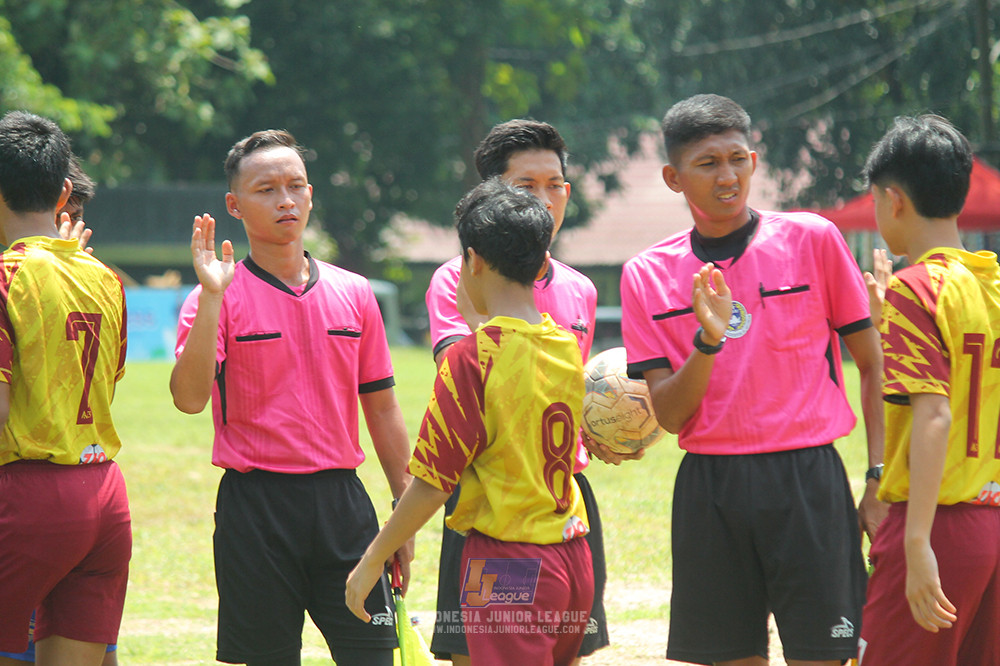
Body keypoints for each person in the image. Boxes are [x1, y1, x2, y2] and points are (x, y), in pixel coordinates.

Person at [619, 94, 886, 666]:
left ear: (755, 161)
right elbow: (667, 415)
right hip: (709, 489)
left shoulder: (813, 239)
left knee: (823, 656)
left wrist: (878, 477)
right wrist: (707, 342)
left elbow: (874, 364)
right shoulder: (646, 274)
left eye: (737, 159)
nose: (727, 176)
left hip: (807, 480)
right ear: (673, 177)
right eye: (708, 163)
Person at [169, 129, 412, 666]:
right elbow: (188, 399)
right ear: (234, 205)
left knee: (372, 655)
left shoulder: (355, 292)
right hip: (255, 511)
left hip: (345, 509)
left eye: (296, 186)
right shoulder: (214, 296)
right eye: (266, 189)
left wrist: (403, 511)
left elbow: (383, 407)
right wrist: (212, 296)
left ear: (310, 194)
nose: (285, 200)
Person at [346, 178, 594, 666]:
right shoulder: (565, 344)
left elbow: (434, 484)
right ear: (543, 264)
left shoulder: (472, 358)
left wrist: (373, 558)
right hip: (575, 557)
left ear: (472, 261)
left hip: (508, 564)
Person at [424, 119, 611, 665]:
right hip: (488, 502)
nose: (546, 200)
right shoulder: (456, 280)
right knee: (477, 655)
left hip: (564, 493)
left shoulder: (581, 289)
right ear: (491, 197)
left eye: (555, 185)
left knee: (565, 654)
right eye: (527, 187)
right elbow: (462, 381)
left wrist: (605, 423)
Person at [856, 115, 1000, 666]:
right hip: (988, 522)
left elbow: (935, 416)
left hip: (935, 523)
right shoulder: (987, 282)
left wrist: (917, 542)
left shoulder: (919, 287)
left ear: (893, 200)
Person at [0, 111, 130, 665]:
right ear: (64, 191)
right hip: (105, 496)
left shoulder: (6, 276)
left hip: (26, 495)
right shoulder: (105, 278)